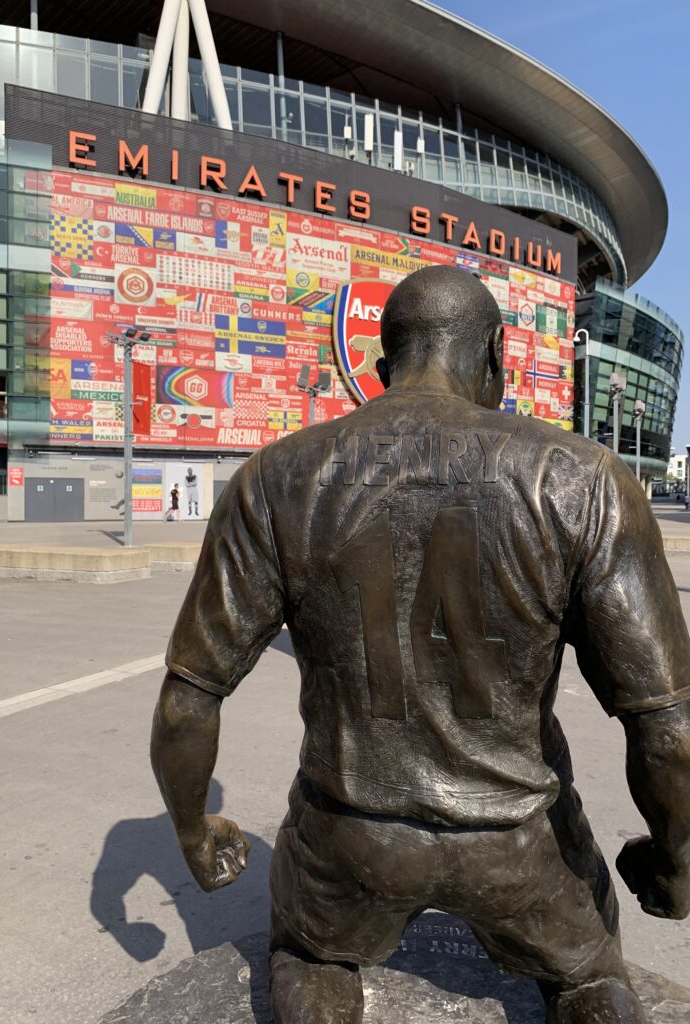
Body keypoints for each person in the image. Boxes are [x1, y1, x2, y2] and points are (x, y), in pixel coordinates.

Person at [151, 266, 690, 1024]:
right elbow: (668, 730)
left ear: (381, 369)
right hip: (520, 846)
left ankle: (318, 979)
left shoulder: (275, 478)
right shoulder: (584, 479)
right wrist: (675, 865)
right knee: (594, 986)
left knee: (310, 958)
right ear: (498, 358)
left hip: (348, 839)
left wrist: (193, 831)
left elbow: (187, 698)